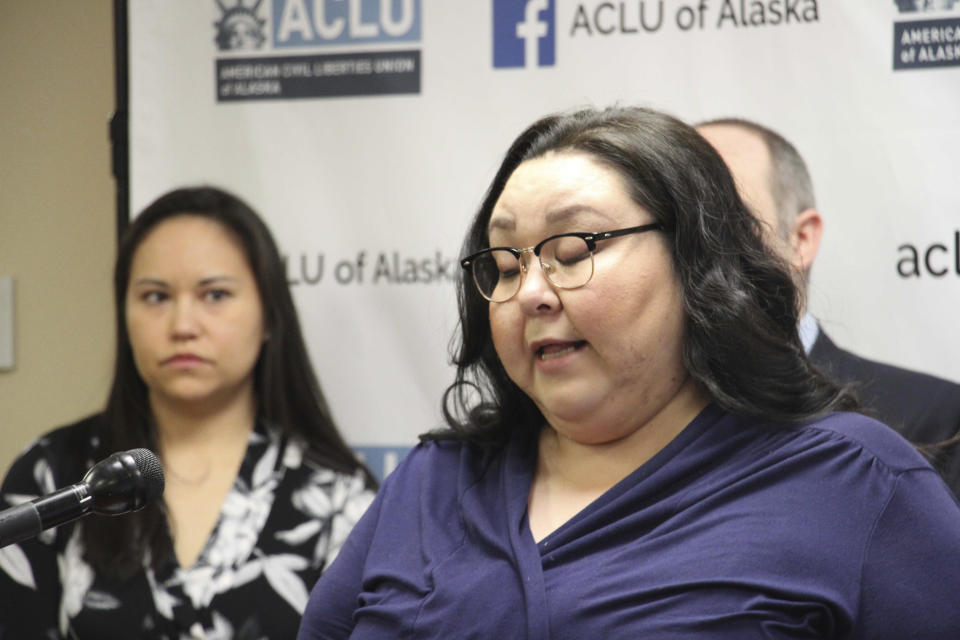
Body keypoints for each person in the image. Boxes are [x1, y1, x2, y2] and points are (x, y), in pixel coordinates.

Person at [297, 106, 960, 639]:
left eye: (572, 249)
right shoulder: (432, 481)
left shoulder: (854, 481)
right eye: (504, 265)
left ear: (697, 265)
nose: (531, 292)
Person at [0, 186, 376, 639]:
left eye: (214, 295)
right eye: (156, 297)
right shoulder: (52, 472)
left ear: (270, 317)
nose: (183, 326)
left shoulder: (340, 498)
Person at [696, 117, 960, 496]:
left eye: (728, 222)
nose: (697, 251)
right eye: (676, 229)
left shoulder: (936, 419)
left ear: (801, 239)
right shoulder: (620, 429)